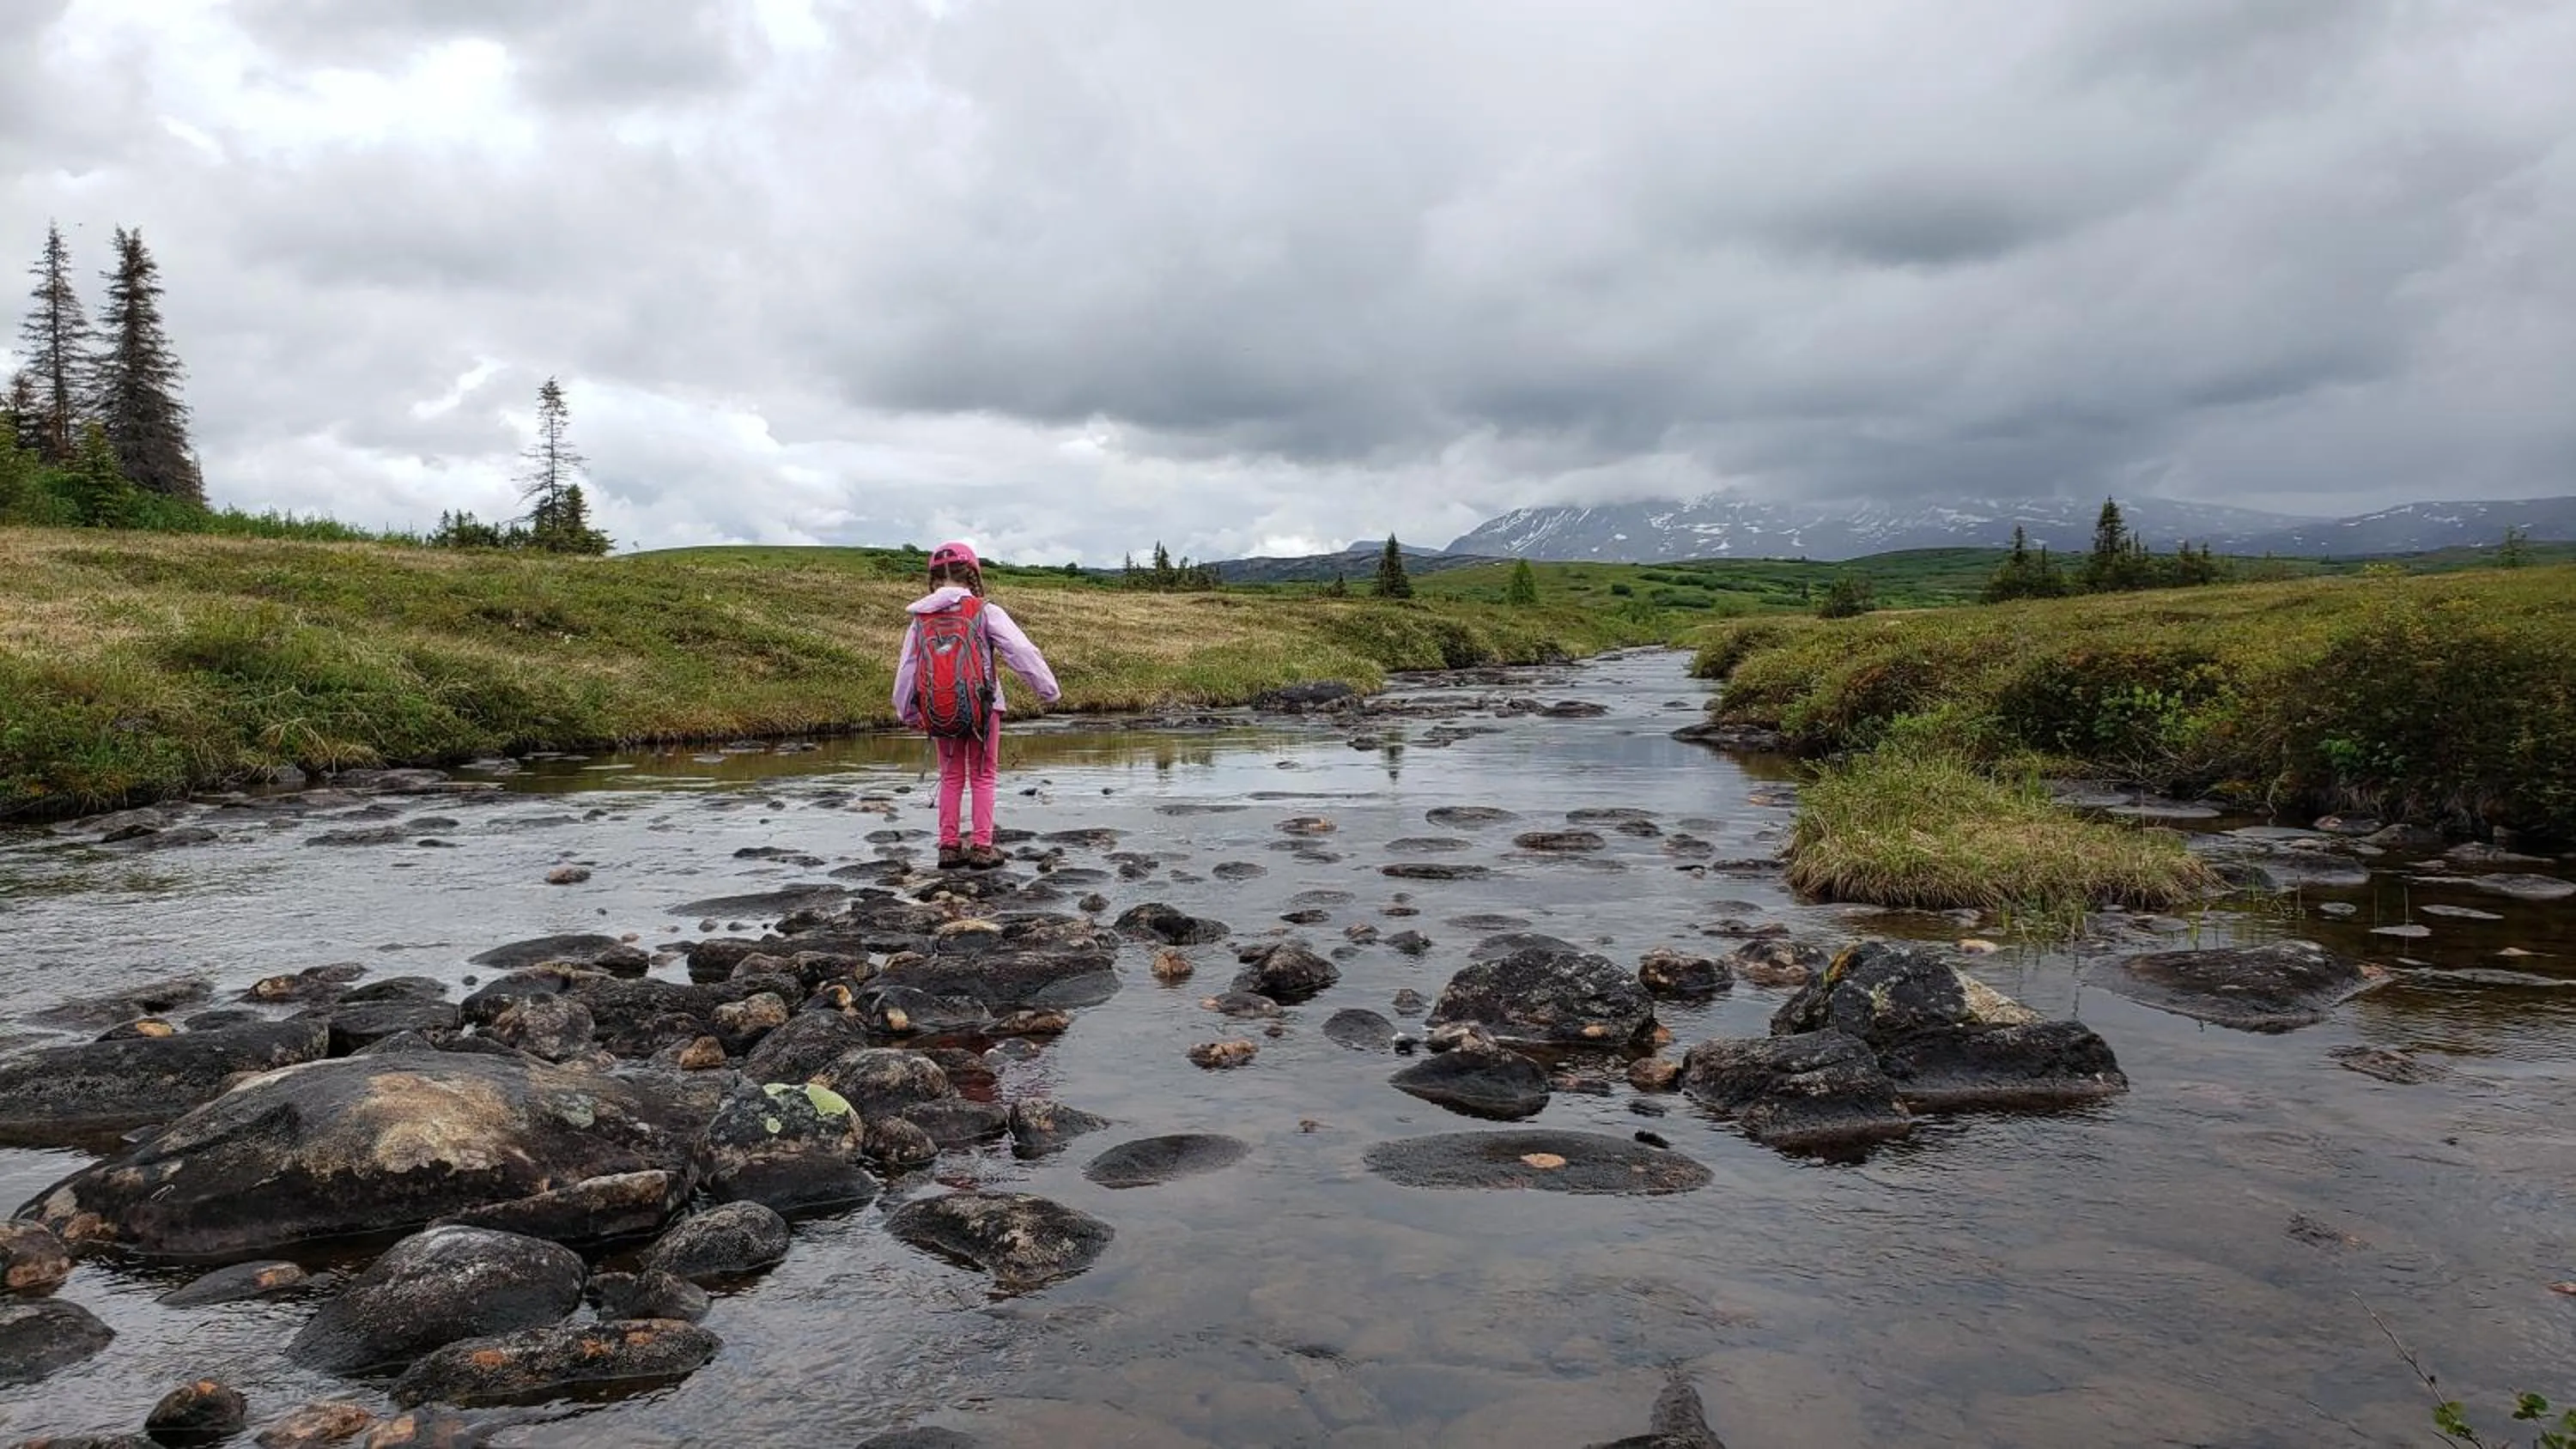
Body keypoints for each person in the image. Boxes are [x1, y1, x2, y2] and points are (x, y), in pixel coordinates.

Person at [890, 542, 1060, 870]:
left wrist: (907, 712)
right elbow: (1021, 652)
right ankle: (982, 847)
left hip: (939, 708)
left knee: (951, 776)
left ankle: (948, 847)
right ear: (973, 574)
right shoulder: (985, 611)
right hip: (985, 708)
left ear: (935, 577)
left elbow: (907, 669)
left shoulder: (921, 618)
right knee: (983, 776)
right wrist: (1048, 690)